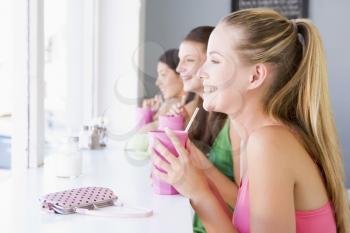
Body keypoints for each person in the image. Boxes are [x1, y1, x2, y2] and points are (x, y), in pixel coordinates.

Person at [152, 8, 350, 233]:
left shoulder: (269, 143)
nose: (201, 73)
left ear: (255, 76)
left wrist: (199, 193)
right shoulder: (255, 138)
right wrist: (197, 178)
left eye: (214, 61)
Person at [171, 26, 240, 232]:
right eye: (180, 60)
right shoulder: (200, 111)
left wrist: (201, 168)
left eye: (189, 60)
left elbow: (243, 203)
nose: (179, 68)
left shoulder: (235, 121)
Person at [140, 49, 185, 130]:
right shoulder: (169, 105)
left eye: (163, 74)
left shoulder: (176, 108)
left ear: (181, 74)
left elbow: (139, 135)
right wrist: (150, 113)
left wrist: (146, 114)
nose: (157, 82)